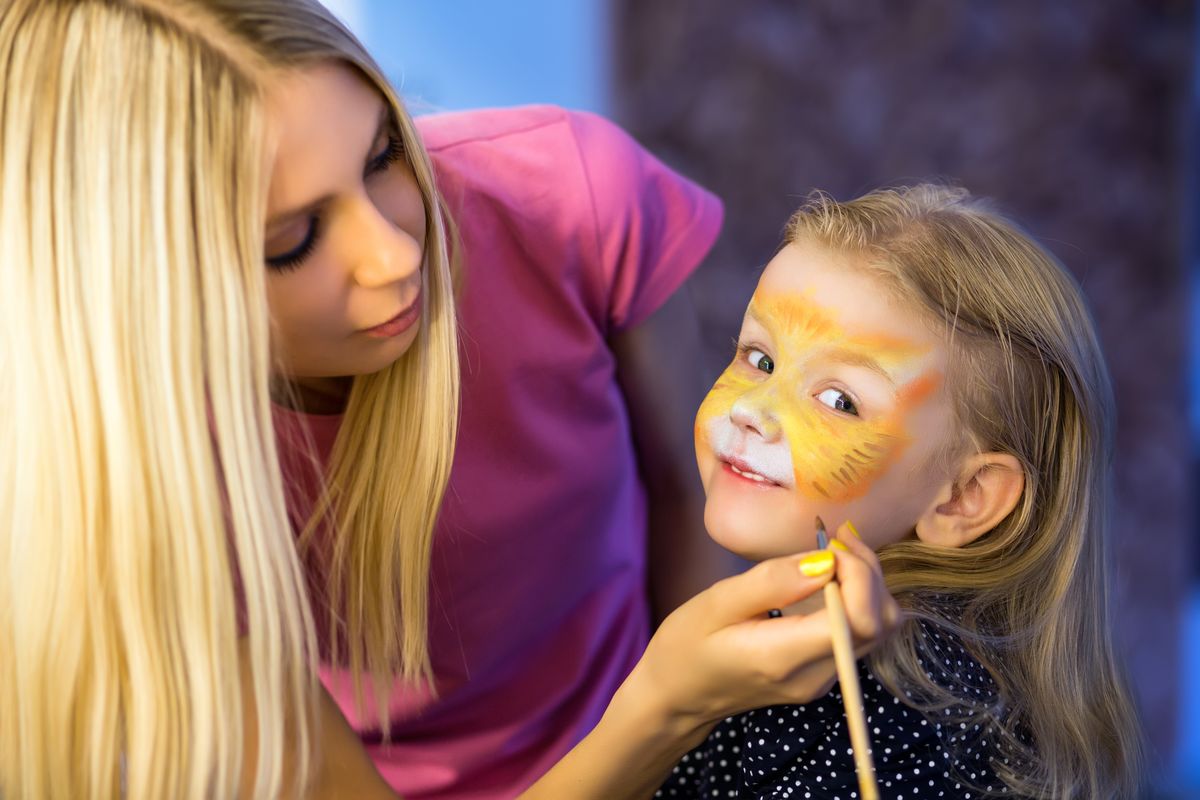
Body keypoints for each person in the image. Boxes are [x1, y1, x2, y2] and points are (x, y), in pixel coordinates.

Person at [0, 2, 900, 798]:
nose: (396, 254)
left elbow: (682, 493)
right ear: (141, 296)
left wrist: (699, 718)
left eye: (385, 154)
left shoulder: (564, 195)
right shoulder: (119, 484)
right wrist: (664, 707)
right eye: (294, 238)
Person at [655, 184, 1146, 799]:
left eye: (840, 401)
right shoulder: (792, 650)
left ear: (964, 497)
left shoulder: (900, 716)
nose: (754, 410)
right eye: (760, 359)